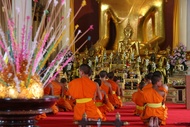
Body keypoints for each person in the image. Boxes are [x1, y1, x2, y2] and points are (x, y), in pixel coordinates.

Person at [95, 0, 165, 53]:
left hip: (141, 51)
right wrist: (97, 47)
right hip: (118, 51)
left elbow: (160, 36)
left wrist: (146, 46)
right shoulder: (106, 2)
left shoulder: (156, 1)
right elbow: (104, 38)